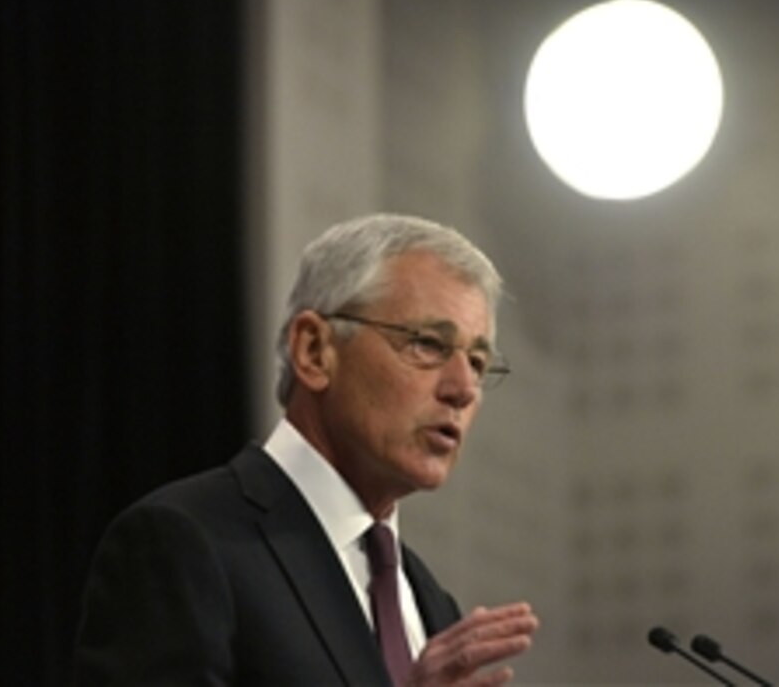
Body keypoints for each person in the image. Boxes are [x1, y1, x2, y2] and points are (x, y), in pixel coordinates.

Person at [73, 213, 539, 686]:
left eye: (478, 362)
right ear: (315, 351)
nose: (462, 387)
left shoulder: (431, 603)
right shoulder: (185, 543)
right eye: (426, 344)